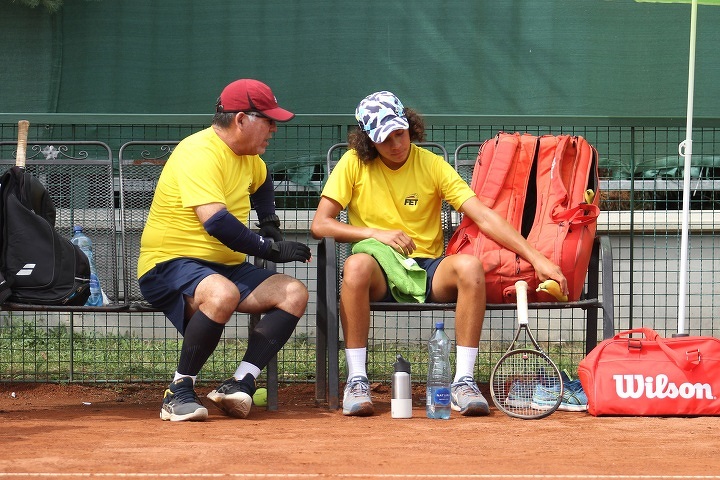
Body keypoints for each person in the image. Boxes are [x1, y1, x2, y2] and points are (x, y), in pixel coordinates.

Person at [310, 91, 568, 417]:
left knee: (471, 267)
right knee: (357, 265)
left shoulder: (432, 164)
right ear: (367, 142)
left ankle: (463, 383)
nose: (395, 144)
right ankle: (357, 381)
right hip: (377, 269)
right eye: (383, 138)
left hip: (428, 267)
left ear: (409, 126)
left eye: (399, 133)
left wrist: (536, 258)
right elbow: (320, 223)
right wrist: (375, 233)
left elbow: (484, 216)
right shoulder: (353, 163)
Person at [138, 78, 312, 422]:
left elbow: (262, 182)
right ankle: (178, 390)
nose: (274, 130)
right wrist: (271, 248)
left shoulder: (250, 156)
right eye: (269, 120)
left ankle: (240, 382)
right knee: (222, 293)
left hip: (222, 266)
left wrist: (269, 221)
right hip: (168, 264)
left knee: (294, 292)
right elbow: (216, 223)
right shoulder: (198, 152)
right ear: (241, 119)